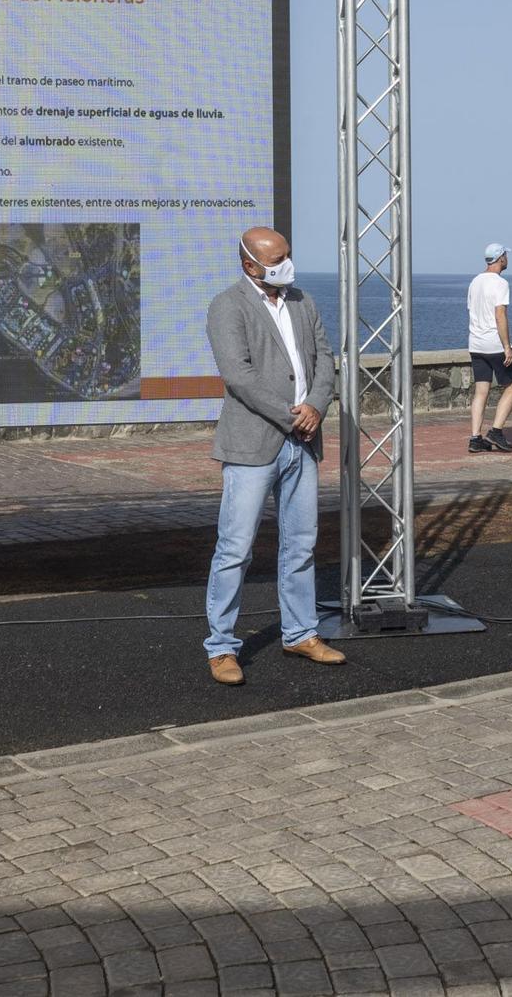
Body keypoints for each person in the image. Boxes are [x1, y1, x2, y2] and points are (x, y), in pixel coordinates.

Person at [201, 227, 346, 685]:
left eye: (288, 254)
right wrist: (292, 415)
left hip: (303, 441)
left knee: (301, 544)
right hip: (253, 443)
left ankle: (301, 633)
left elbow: (325, 358)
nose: (287, 263)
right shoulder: (228, 306)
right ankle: (221, 647)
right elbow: (238, 376)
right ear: (250, 265)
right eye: (277, 258)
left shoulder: (302, 301)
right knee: (235, 548)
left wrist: (317, 407)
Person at [467, 243, 512, 453]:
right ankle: (496, 431)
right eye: (505, 255)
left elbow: (472, 310)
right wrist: (507, 347)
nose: (507, 258)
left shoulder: (474, 282)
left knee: (481, 390)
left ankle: (475, 438)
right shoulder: (500, 283)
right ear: (500, 258)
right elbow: (500, 315)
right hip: (494, 344)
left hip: (476, 344)